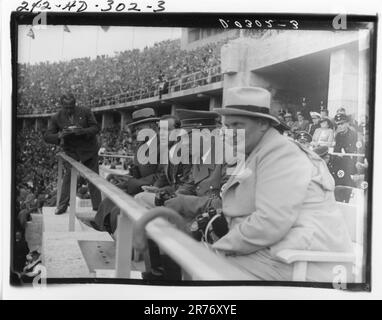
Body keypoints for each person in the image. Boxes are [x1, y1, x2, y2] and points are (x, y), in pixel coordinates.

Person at [212, 86, 353, 282]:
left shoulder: (281, 153)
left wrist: (220, 246)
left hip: (308, 262)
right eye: (227, 126)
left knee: (205, 263)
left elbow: (270, 222)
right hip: (284, 249)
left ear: (262, 124)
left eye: (237, 124)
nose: (231, 133)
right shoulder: (261, 150)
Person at [93, 108, 161, 234]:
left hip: (148, 187)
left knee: (120, 208)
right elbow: (136, 169)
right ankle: (100, 228)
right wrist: (125, 178)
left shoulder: (161, 146)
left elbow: (161, 176)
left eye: (141, 129)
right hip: (137, 184)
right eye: (137, 129)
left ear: (153, 127)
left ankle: (113, 234)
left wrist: (136, 183)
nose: (138, 132)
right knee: (110, 198)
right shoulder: (141, 145)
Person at [44, 93, 102, 215]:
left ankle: (98, 207)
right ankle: (62, 206)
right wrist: (59, 135)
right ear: (62, 105)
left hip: (89, 150)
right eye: (66, 107)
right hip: (72, 152)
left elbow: (96, 127)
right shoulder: (56, 117)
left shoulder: (85, 111)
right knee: (69, 177)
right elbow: (47, 136)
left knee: (93, 178)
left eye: (72, 106)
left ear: (75, 104)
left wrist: (83, 131)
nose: (69, 109)